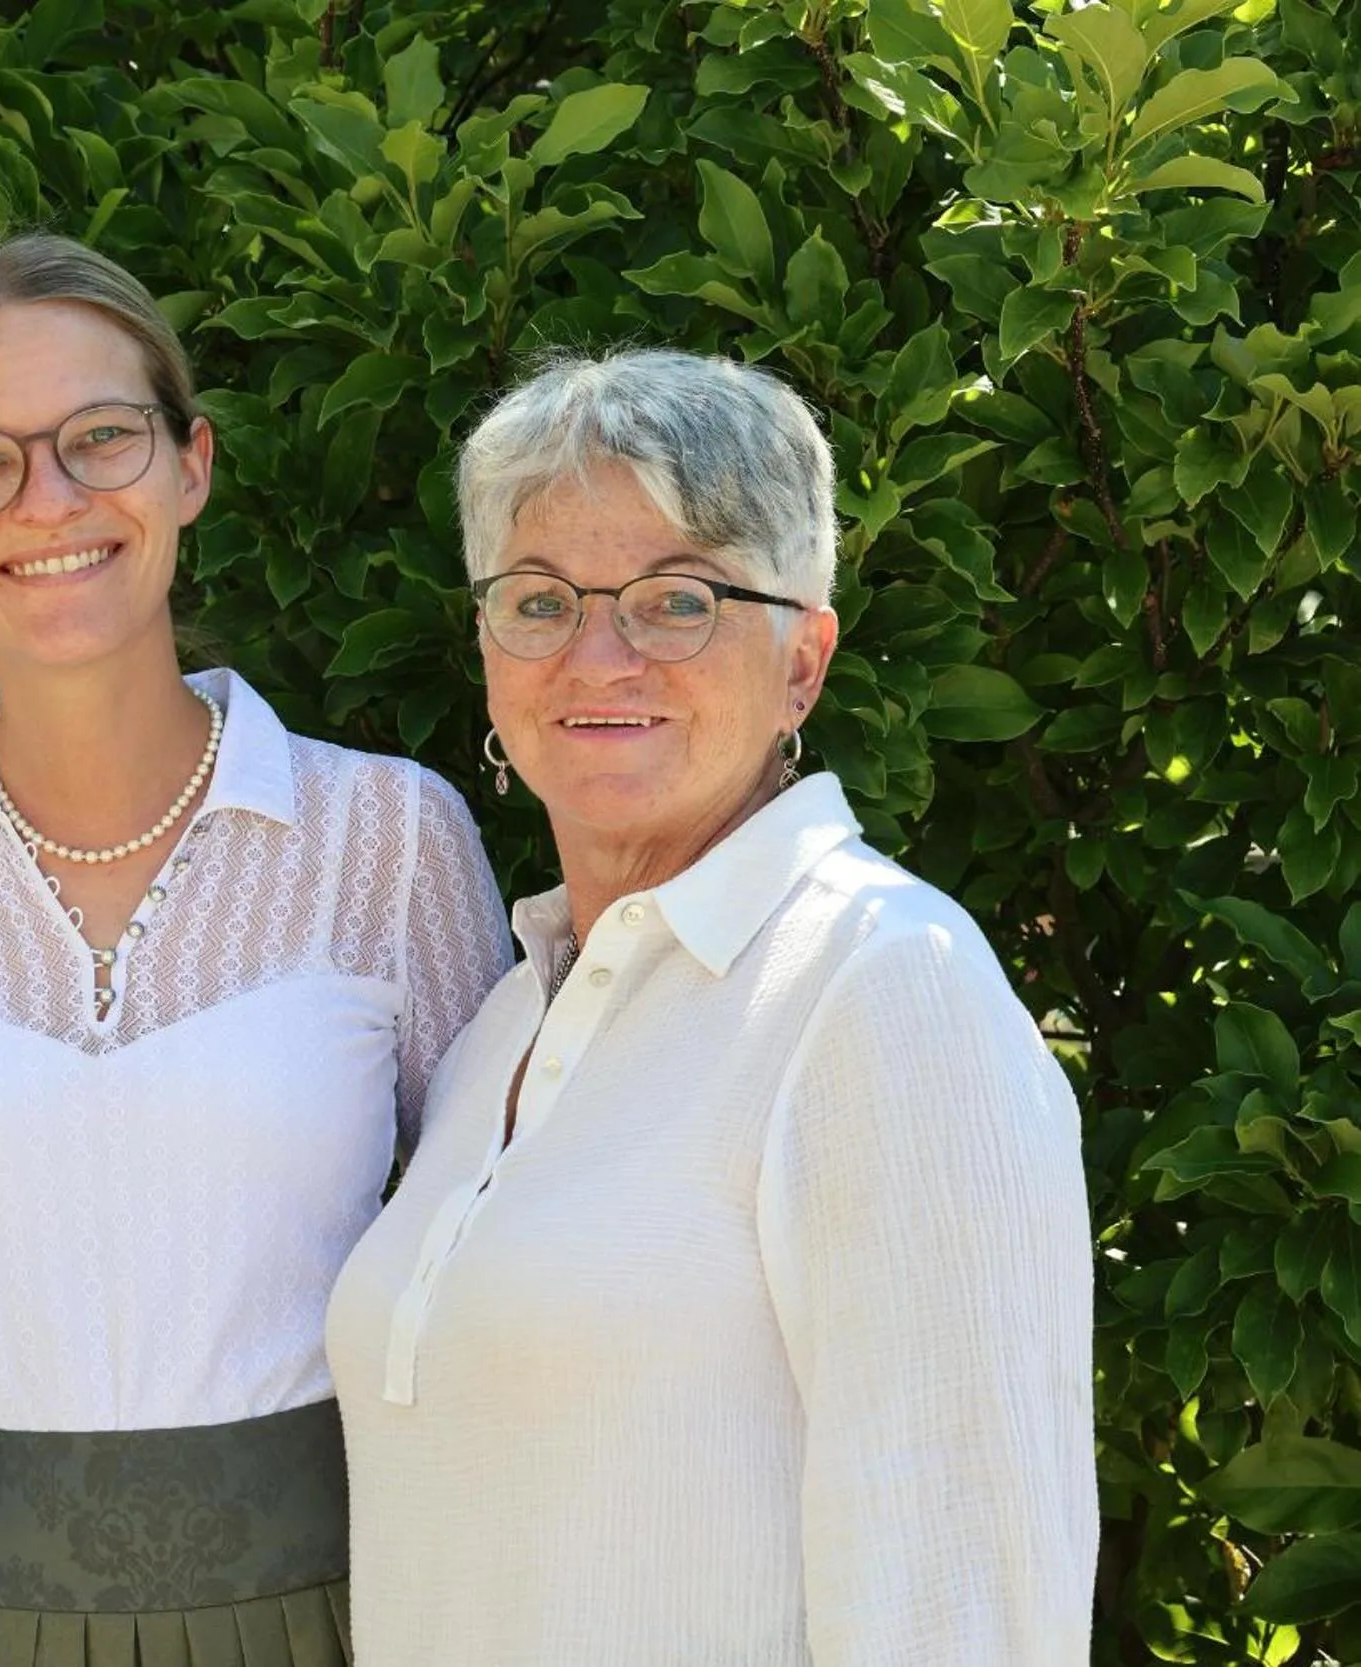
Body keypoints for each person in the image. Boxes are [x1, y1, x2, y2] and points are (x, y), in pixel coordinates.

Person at [323, 348, 1097, 1664]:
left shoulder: (881, 985)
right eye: (539, 599)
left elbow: (966, 1600)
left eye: (678, 600)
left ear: (802, 660)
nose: (599, 653)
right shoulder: (504, 1023)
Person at [0, 233, 513, 1666]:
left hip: (327, 1609)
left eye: (100, 438)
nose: (49, 499)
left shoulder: (391, 837)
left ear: (189, 466)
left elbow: (493, 1271)